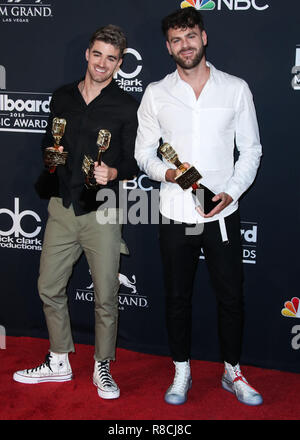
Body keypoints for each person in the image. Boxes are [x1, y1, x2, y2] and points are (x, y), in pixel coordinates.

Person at [135, 8, 263, 406]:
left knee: (231, 297)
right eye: (176, 39)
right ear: (167, 47)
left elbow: (252, 150)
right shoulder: (157, 92)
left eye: (190, 36)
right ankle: (181, 369)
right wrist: (168, 174)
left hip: (221, 213)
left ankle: (232, 371)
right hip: (176, 213)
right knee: (177, 296)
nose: (184, 45)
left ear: (203, 37)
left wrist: (233, 191)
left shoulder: (236, 89)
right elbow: (143, 154)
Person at [13, 25, 139, 400]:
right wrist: (51, 158)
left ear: (119, 64)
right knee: (48, 286)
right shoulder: (62, 96)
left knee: (105, 295)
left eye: (111, 58)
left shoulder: (127, 106)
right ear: (87, 53)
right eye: (97, 54)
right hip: (62, 206)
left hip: (102, 211)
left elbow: (135, 161)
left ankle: (102, 364)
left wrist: (114, 172)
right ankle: (59, 359)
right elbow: (50, 141)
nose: (102, 63)